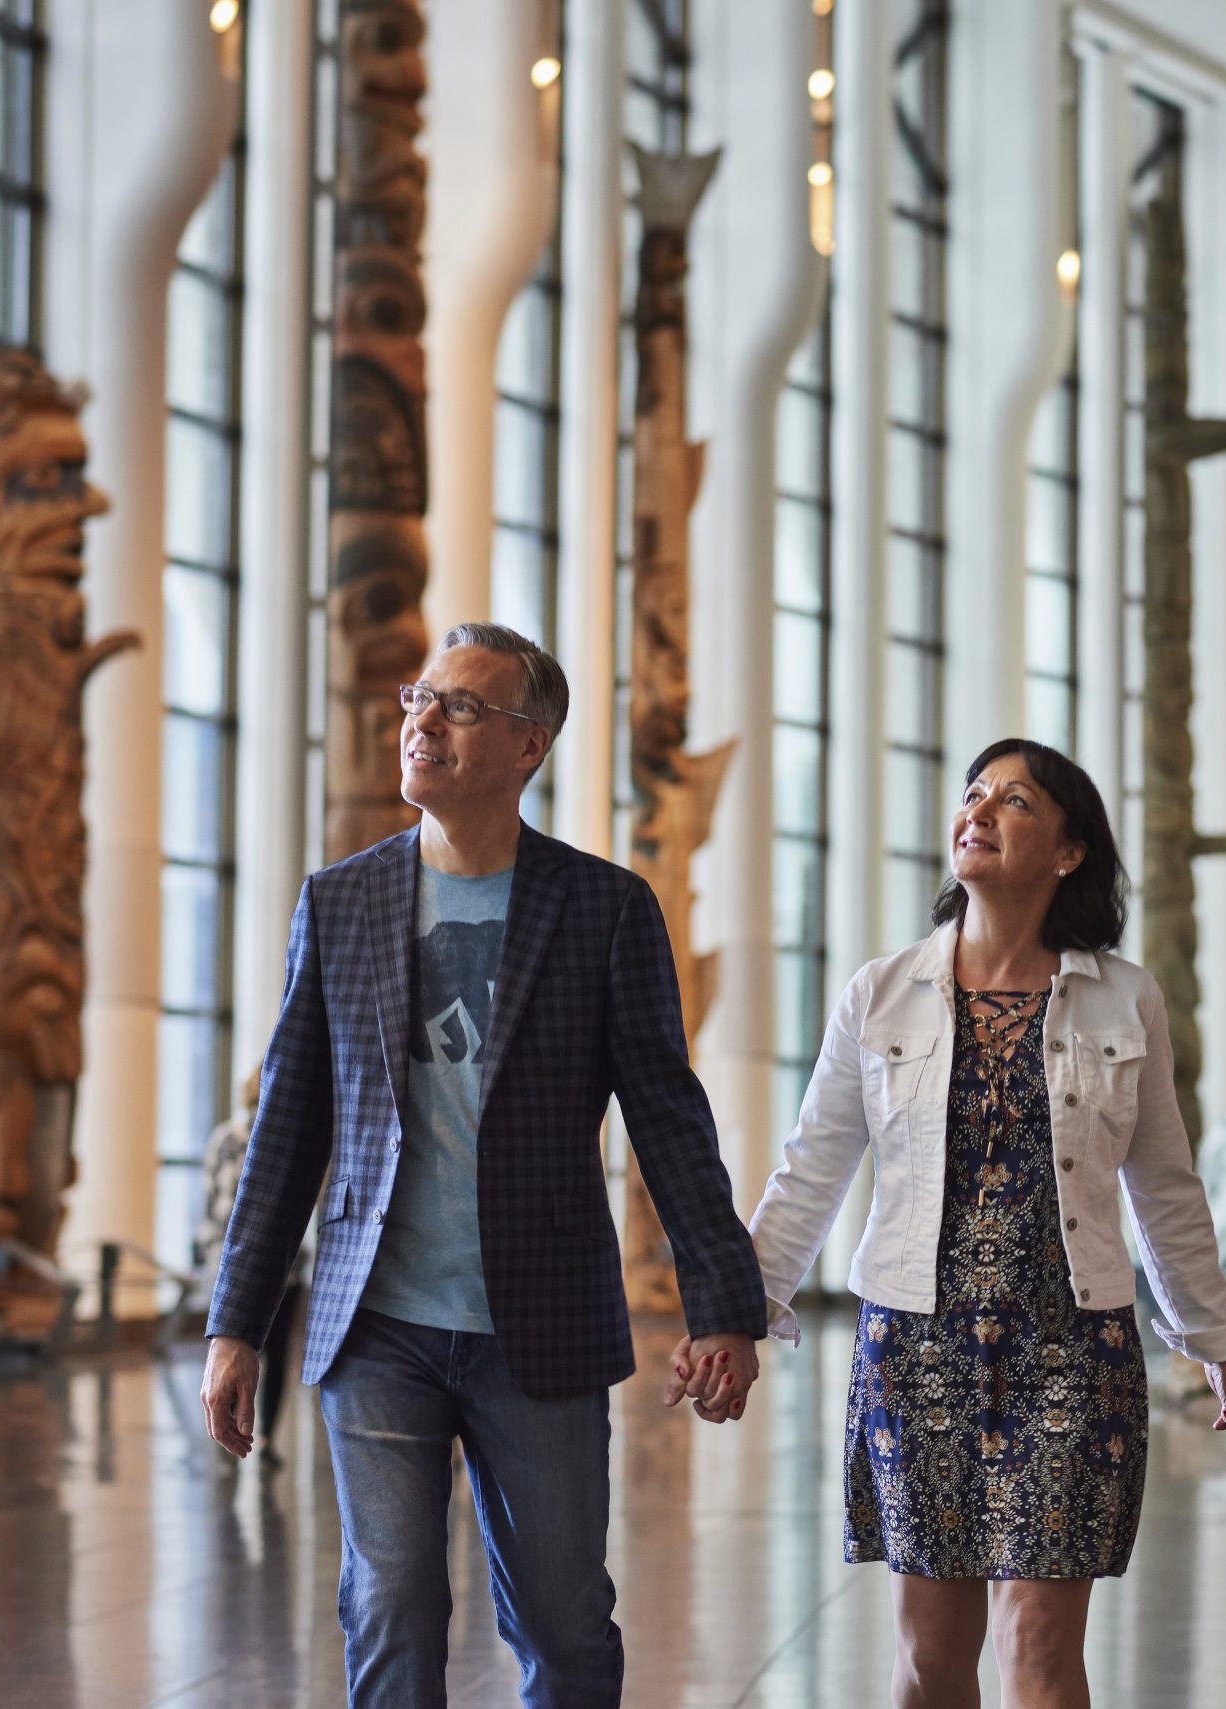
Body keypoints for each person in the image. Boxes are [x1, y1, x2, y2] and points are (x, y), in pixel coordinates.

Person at [198, 623, 765, 1709]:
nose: (422, 719)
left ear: (528, 746)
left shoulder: (603, 909)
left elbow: (667, 1116)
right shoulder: (341, 900)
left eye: (460, 706)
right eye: (418, 697)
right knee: (389, 1602)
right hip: (377, 1320)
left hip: (538, 1325)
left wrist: (721, 1305)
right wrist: (238, 1322)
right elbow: (290, 1127)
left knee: (560, 1623)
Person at [683, 737, 1226, 1709]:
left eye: (1016, 800)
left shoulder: (1124, 997)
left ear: (1069, 850)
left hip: (1073, 1352)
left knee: (1039, 1647)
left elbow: (1164, 1184)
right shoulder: (878, 993)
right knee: (930, 1660)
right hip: (916, 1348)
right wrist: (736, 1315)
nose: (981, 811)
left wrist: (1217, 1346)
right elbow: (813, 1167)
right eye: (973, 795)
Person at [192, 1066, 310, 1456]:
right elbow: (211, 1200)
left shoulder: (296, 1141)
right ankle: (224, 1432)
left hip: (285, 1269)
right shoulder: (229, 1139)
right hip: (229, 1265)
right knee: (231, 1352)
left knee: (276, 1353)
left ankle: (269, 1437)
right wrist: (210, 1252)